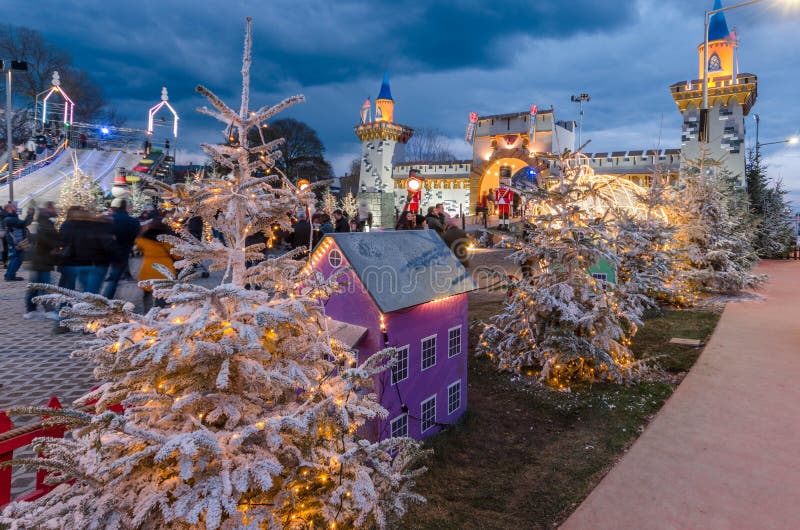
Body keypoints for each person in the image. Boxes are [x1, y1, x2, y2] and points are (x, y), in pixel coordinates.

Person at [57, 207, 114, 294]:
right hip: (90, 261)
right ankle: (86, 304)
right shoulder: (93, 224)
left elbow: (61, 240)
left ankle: (66, 305)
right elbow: (102, 241)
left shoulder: (68, 224)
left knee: (68, 289)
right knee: (89, 290)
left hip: (71, 260)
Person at [24, 202, 60, 319]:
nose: (56, 210)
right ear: (48, 209)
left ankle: (31, 309)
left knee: (36, 286)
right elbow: (46, 239)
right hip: (42, 259)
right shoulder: (45, 224)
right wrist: (55, 246)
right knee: (44, 286)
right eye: (53, 208)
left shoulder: (42, 223)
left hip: (39, 259)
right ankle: (47, 310)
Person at [102, 198, 141, 299]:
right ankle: (106, 298)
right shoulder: (132, 221)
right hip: (123, 250)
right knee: (114, 279)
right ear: (125, 208)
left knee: (101, 277)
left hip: (104, 250)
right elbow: (136, 235)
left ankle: (99, 298)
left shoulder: (107, 219)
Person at [135, 217, 175, 312]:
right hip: (165, 269)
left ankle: (148, 313)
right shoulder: (168, 239)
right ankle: (160, 313)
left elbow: (137, 246)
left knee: (147, 292)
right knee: (163, 294)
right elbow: (177, 255)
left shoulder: (143, 239)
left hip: (148, 268)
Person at [3, 203, 34, 281]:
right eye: (14, 207)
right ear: (9, 209)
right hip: (18, 242)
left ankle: (9, 275)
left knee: (15, 258)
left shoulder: (10, 217)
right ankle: (10, 276)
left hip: (17, 241)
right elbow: (24, 223)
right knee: (18, 258)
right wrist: (30, 214)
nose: (16, 209)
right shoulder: (9, 218)